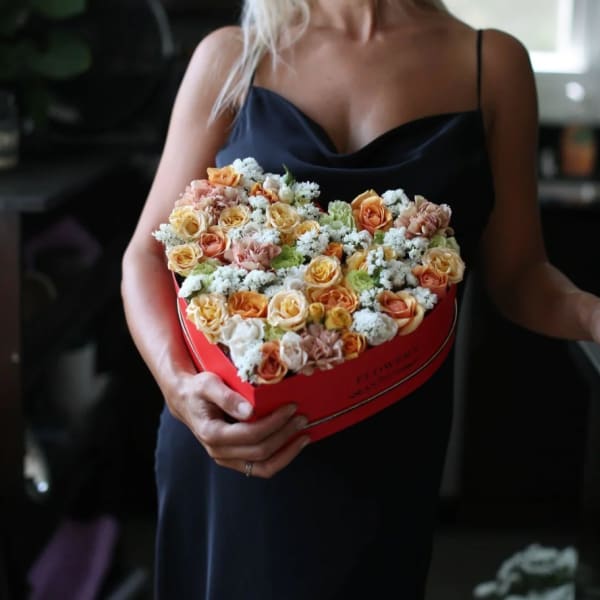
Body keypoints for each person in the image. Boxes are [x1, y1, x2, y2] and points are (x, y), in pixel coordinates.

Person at [120, 1, 600, 598]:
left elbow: (521, 276)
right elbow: (145, 256)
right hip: (233, 437)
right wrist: (179, 389)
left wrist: (592, 314)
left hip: (387, 449)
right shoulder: (232, 56)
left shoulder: (493, 64)